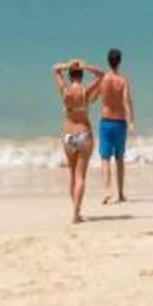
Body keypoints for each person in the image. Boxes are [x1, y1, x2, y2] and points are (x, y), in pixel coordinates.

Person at [53, 58, 99, 224]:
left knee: (72, 175)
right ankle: (76, 213)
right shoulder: (85, 91)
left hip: (68, 136)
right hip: (84, 134)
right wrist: (86, 66)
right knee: (81, 177)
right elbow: (101, 75)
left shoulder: (65, 92)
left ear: (71, 75)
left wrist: (67, 65)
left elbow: (55, 69)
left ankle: (76, 210)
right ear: (81, 75)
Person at [94, 47, 133, 203]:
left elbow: (94, 97)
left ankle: (106, 191)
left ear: (108, 61)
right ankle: (121, 193)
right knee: (119, 158)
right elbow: (126, 102)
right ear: (120, 62)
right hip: (120, 122)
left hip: (106, 121)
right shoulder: (123, 81)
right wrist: (131, 121)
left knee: (105, 158)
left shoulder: (103, 79)